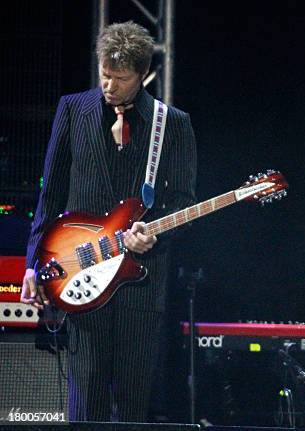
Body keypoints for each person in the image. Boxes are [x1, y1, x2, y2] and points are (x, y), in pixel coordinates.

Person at [20, 21, 197, 422]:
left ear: (142, 74)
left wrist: (151, 236)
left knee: (133, 402)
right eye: (104, 75)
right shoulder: (72, 109)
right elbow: (51, 194)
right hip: (81, 268)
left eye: (120, 78)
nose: (109, 86)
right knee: (85, 400)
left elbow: (183, 201)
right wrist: (33, 263)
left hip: (142, 278)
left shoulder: (173, 124)